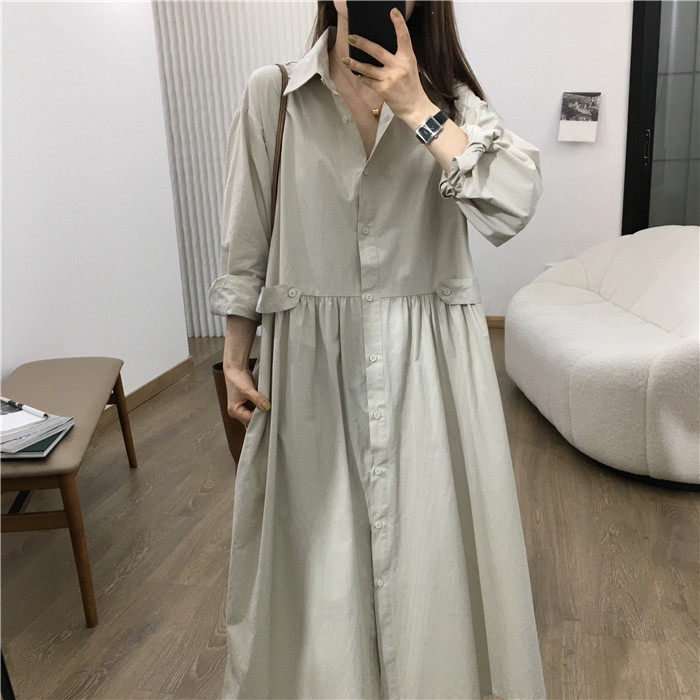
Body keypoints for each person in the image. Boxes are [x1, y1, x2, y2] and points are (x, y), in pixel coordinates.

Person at [208, 1, 546, 698]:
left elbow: (514, 204)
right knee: (318, 561)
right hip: (308, 368)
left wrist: (417, 108)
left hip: (433, 372)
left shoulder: (449, 101)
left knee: (430, 558)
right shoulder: (274, 95)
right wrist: (235, 357)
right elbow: (247, 238)